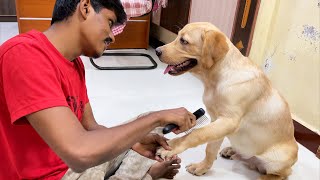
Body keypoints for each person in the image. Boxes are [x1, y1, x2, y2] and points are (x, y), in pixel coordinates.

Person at [0, 0, 196, 179]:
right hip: (56, 174)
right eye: (110, 22)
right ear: (85, 8)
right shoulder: (24, 54)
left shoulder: (75, 65)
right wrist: (157, 117)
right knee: (150, 121)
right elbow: (79, 154)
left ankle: (138, 172)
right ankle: (145, 175)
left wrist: (134, 142)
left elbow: (91, 127)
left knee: (147, 128)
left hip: (73, 163)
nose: (112, 36)